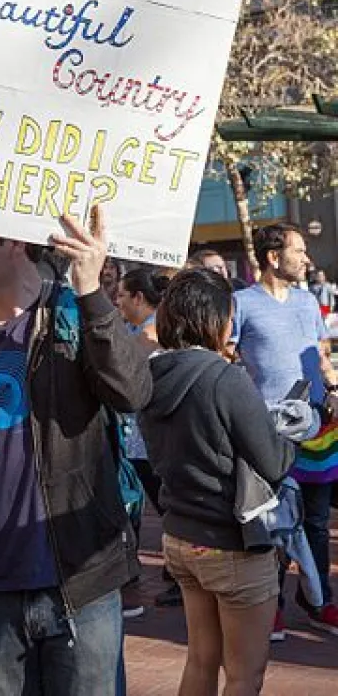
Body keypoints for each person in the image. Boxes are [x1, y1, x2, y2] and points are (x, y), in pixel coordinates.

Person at [0, 208, 153, 696]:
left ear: (13, 242)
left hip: (81, 580)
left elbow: (132, 391)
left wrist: (91, 295)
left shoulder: (73, 313)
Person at [139, 268, 295, 696]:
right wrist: (289, 430)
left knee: (201, 661)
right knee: (245, 675)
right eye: (230, 314)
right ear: (214, 318)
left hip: (181, 537)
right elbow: (275, 461)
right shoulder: (225, 377)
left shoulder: (151, 376)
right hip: (230, 540)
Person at [232, 223, 338, 640]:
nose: (305, 258)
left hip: (317, 429)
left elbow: (323, 356)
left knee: (314, 521)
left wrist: (332, 391)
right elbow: (227, 355)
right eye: (299, 250)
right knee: (273, 522)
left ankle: (317, 602)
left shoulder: (308, 302)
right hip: (268, 433)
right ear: (273, 257)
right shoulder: (241, 303)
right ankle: (270, 605)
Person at [116, 266, 182, 609]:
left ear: (139, 298)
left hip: (151, 437)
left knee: (166, 504)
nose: (118, 302)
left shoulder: (151, 332)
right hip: (140, 437)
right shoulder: (137, 328)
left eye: (122, 296)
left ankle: (180, 576)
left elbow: (118, 368)